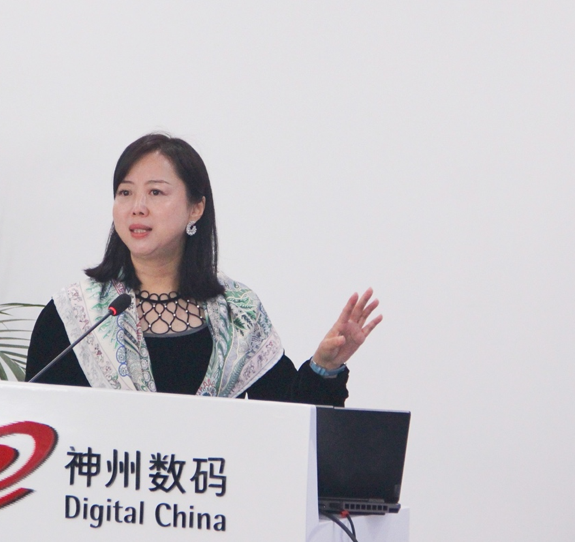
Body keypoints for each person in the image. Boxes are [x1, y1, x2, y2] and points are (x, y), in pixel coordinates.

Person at [25, 134, 381, 406]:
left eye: (156, 193)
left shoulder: (238, 313)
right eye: (125, 192)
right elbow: (36, 427)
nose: (137, 207)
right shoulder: (75, 315)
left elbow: (286, 421)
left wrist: (324, 366)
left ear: (195, 208)